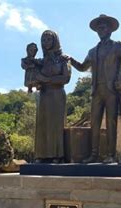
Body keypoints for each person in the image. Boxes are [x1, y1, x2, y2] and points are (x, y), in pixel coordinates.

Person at [68, 14, 121, 163]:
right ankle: (94, 154)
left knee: (111, 122)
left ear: (110, 29)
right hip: (96, 91)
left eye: (103, 27)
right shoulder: (92, 51)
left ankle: (110, 155)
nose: (101, 29)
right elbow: (82, 67)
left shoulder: (117, 46)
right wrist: (70, 59)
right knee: (94, 122)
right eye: (98, 27)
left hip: (111, 91)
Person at [33, 30, 71, 163]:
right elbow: (30, 69)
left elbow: (65, 78)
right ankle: (42, 155)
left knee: (56, 124)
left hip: (57, 94)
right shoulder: (41, 61)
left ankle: (57, 155)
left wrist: (46, 79)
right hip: (43, 95)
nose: (46, 42)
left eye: (49, 39)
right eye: (43, 40)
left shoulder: (63, 59)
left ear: (55, 41)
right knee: (42, 124)